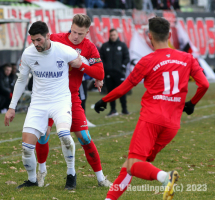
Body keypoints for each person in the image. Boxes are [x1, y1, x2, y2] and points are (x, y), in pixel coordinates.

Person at [94, 17, 209, 200]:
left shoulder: (147, 60)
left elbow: (126, 86)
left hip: (151, 120)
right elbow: (204, 84)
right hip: (172, 125)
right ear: (169, 35)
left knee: (133, 165)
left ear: (150, 37)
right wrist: (192, 103)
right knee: (131, 164)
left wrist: (104, 100)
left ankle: (165, 177)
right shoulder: (188, 58)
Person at [35, 14, 111, 188]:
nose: (76, 36)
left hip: (71, 97)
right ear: (71, 27)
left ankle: (100, 178)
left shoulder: (89, 48)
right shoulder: (55, 38)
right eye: (74, 32)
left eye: (80, 34)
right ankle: (41, 173)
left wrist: (82, 66)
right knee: (43, 135)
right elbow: (37, 48)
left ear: (87, 32)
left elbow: (100, 73)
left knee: (84, 137)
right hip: (49, 96)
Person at [4, 21, 81, 190]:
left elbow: (85, 64)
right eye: (33, 40)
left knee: (64, 136)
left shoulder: (64, 50)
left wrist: (97, 76)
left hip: (60, 101)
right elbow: (22, 80)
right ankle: (33, 180)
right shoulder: (28, 54)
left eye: (39, 40)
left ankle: (71, 173)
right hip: (38, 103)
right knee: (26, 147)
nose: (36, 44)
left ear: (48, 36)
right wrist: (12, 107)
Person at [100, 28, 130, 117]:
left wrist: (123, 66)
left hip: (119, 73)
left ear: (117, 35)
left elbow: (127, 57)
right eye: (111, 35)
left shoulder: (122, 45)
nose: (113, 36)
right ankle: (113, 110)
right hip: (109, 73)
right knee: (110, 92)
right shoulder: (105, 46)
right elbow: (100, 58)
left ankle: (124, 109)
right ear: (109, 35)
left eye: (114, 35)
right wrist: (105, 67)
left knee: (122, 92)